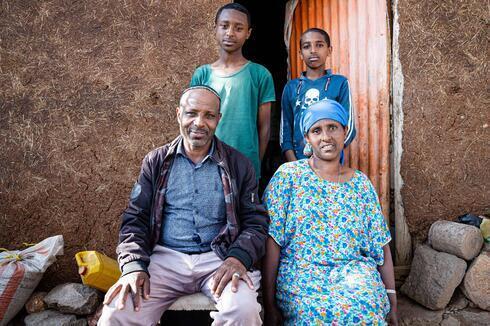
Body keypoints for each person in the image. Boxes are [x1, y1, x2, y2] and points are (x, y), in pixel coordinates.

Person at [98, 86, 268, 326]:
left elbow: (256, 222)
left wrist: (238, 258)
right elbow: (134, 219)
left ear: (218, 120)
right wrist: (134, 266)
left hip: (218, 260)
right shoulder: (156, 162)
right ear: (178, 114)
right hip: (165, 260)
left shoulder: (239, 165)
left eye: (209, 115)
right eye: (191, 113)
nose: (199, 122)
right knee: (117, 313)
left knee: (244, 310)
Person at [263, 99, 397, 325]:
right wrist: (269, 303)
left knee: (366, 313)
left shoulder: (361, 185)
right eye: (317, 130)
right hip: (302, 277)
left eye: (333, 127)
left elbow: (380, 244)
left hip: (354, 274)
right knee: (315, 316)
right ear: (307, 138)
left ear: (345, 131)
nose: (326, 137)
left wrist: (392, 299)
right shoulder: (289, 177)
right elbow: (272, 240)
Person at [190, 3, 275, 178]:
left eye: (238, 28)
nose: (230, 33)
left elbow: (264, 126)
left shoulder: (260, 74)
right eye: (224, 26)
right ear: (215, 29)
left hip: (245, 165)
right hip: (207, 162)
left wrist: (254, 163)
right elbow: (192, 119)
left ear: (248, 33)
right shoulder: (202, 74)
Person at [280, 28, 356, 162]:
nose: (313, 50)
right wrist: (295, 164)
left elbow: (348, 128)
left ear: (329, 50)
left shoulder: (339, 83)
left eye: (319, 45)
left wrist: (328, 156)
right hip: (299, 164)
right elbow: (285, 132)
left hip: (330, 163)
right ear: (300, 53)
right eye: (306, 46)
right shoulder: (291, 88)